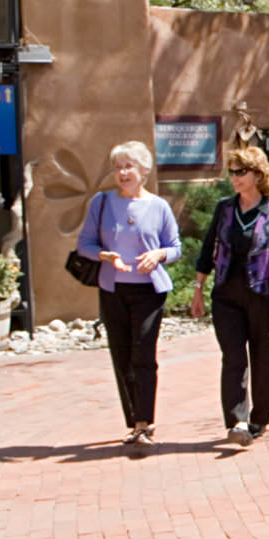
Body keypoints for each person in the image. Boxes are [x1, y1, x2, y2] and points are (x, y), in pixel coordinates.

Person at [76, 140, 182, 450]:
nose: (122, 172)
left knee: (143, 355)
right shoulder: (102, 202)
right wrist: (106, 257)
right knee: (122, 357)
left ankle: (145, 423)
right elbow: (85, 245)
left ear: (144, 170)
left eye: (128, 166)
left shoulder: (159, 206)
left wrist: (159, 254)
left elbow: (175, 247)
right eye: (118, 167)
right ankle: (133, 423)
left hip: (149, 291)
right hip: (113, 289)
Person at [190, 146, 269, 445]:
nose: (234, 178)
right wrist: (198, 289)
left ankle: (258, 420)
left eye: (240, 172)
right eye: (232, 172)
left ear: (258, 175)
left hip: (262, 298)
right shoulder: (225, 209)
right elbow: (207, 249)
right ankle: (237, 420)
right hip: (226, 298)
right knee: (234, 358)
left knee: (265, 361)